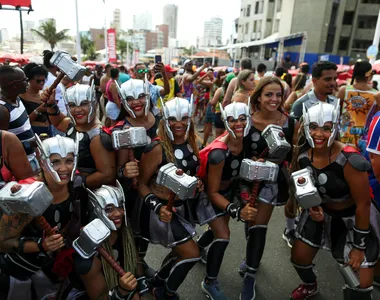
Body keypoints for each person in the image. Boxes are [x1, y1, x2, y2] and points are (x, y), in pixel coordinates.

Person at [289, 101, 380, 300]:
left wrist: (359, 246)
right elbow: (307, 188)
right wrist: (313, 208)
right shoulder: (303, 155)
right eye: (313, 127)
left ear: (335, 128)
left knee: (360, 284)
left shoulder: (350, 160)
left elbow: (363, 204)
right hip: (322, 215)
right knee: (299, 258)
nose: (319, 134)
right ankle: (309, 285)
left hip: (353, 220)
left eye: (326, 128)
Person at [0, 134, 82, 300]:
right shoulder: (28, 194)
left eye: (69, 160)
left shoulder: (76, 184)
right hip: (22, 272)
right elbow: (2, 242)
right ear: (43, 161)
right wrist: (40, 245)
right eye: (56, 162)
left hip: (55, 268)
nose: (64, 168)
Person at [138, 97, 203, 300]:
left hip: (183, 208)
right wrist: (158, 208)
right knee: (192, 253)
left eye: (184, 118)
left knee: (179, 252)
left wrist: (197, 182)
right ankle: (165, 292)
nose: (179, 123)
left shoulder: (193, 141)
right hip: (159, 211)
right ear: (165, 120)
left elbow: (191, 173)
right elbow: (140, 184)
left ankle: (158, 280)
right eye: (173, 118)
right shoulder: (156, 148)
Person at [239, 76, 296, 299]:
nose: (274, 99)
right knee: (249, 222)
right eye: (268, 94)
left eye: (278, 95)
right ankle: (251, 258)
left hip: (271, 184)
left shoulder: (290, 122)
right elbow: (236, 150)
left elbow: (294, 156)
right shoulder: (246, 120)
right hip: (245, 182)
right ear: (259, 97)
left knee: (258, 227)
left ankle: (250, 276)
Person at [195, 102, 254, 300]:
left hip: (229, 192)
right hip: (210, 196)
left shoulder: (249, 141)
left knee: (217, 230)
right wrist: (236, 210)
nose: (238, 123)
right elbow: (212, 192)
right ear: (225, 122)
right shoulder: (219, 153)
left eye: (242, 118)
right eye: (232, 120)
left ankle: (198, 248)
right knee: (223, 235)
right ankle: (209, 282)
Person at [113, 78, 161, 279]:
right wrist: (125, 171)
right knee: (131, 231)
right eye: (130, 99)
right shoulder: (121, 129)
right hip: (132, 192)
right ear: (123, 101)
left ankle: (141, 261)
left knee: (146, 232)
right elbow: (115, 171)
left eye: (141, 96)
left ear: (148, 96)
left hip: (157, 187)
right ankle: (135, 270)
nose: (137, 102)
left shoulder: (159, 117)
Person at [74, 182, 142, 300]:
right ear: (96, 211)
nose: (118, 213)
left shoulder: (125, 232)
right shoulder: (89, 252)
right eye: (109, 209)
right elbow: (99, 298)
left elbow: (137, 265)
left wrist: (143, 284)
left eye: (120, 206)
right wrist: (121, 291)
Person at [43, 83, 116, 191]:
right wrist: (51, 105)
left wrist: (78, 182)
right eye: (72, 105)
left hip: (89, 193)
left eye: (83, 104)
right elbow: (58, 122)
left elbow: (107, 175)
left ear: (94, 103)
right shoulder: (75, 124)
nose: (77, 110)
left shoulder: (97, 137)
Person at [0, 65, 38, 172]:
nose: (28, 83)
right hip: (20, 168)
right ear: (14, 85)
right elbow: (3, 147)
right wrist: (30, 144)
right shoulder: (3, 110)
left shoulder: (17, 99)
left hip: (32, 159)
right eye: (25, 80)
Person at [337, 61, 380, 155]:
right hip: (364, 140)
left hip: (343, 138)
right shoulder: (376, 95)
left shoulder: (344, 90)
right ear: (369, 76)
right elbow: (376, 119)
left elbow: (336, 113)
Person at [20, 63, 51, 136]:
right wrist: (38, 110)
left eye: (43, 80)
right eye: (38, 81)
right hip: (33, 131)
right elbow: (23, 121)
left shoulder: (44, 95)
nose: (42, 83)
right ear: (29, 80)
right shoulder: (21, 97)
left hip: (48, 131)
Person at [42, 50, 66, 137]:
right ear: (55, 64)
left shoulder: (52, 77)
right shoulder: (49, 79)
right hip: (56, 119)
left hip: (60, 117)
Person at [210, 73, 232, 138]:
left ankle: (218, 148)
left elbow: (213, 102)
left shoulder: (220, 90)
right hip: (230, 115)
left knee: (218, 136)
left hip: (219, 113)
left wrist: (213, 108)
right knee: (227, 136)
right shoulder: (235, 91)